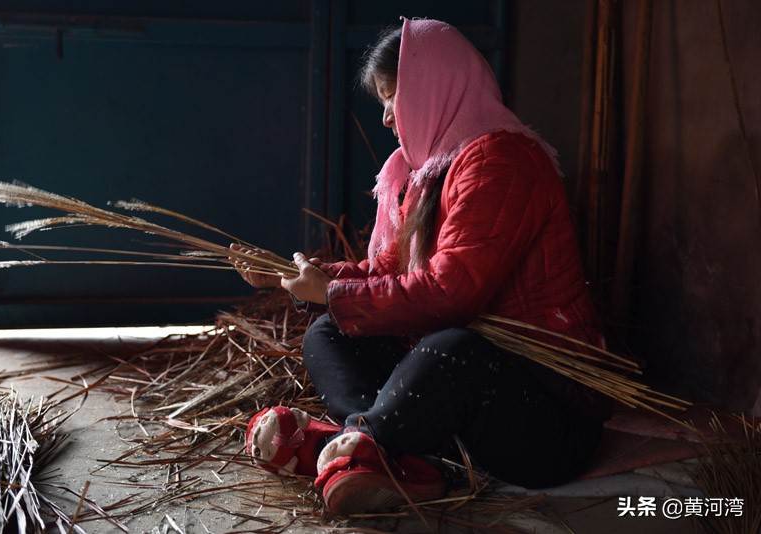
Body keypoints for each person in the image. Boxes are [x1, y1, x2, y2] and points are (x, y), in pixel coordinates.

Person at [234, 17, 610, 515]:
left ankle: (350, 446)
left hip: (542, 421)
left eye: (392, 97)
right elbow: (387, 271)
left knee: (452, 348)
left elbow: (454, 292)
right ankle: (376, 454)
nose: (387, 118)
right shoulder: (423, 173)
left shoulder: (502, 161)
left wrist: (331, 293)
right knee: (328, 333)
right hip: (458, 407)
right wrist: (305, 280)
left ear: (436, 87)